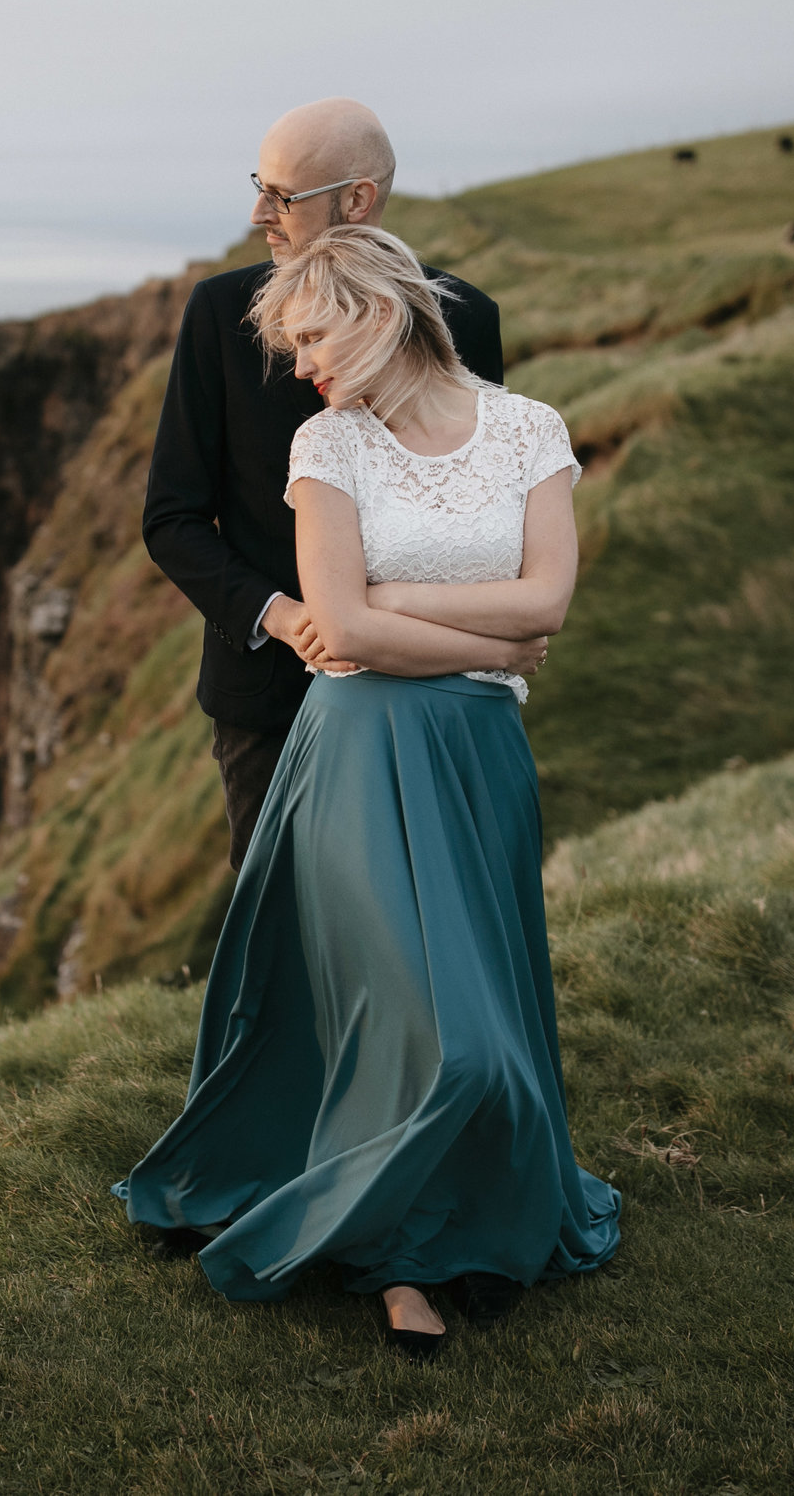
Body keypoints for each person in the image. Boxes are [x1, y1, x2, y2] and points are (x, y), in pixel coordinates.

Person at [115, 226, 621, 1359]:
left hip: (478, 756)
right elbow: (336, 626)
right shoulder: (324, 445)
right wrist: (447, 623)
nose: (300, 366)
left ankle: (438, 1232)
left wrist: (396, 603)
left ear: (380, 316)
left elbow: (548, 605)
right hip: (352, 748)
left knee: (475, 1014)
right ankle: (399, 1261)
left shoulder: (528, 428)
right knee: (430, 1028)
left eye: (311, 339)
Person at [142, 98, 505, 872]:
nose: (257, 213)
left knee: (416, 910)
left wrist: (398, 625)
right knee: (286, 927)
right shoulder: (218, 315)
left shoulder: (464, 319)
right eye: (259, 186)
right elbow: (171, 516)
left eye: (282, 196)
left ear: (358, 199)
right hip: (268, 702)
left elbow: (478, 512)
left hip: (430, 689)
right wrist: (280, 616)